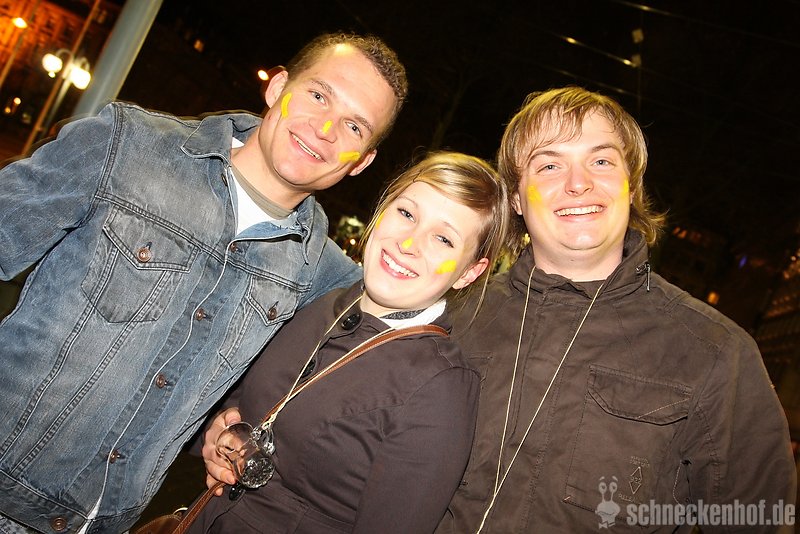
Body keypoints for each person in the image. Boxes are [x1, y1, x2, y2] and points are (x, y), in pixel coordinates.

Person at [0, 32, 407, 533]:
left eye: (354, 126)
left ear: (362, 161)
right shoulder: (127, 145)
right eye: (319, 95)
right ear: (278, 87)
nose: (325, 129)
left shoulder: (324, 276)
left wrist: (228, 419)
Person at [435, 87, 797, 533]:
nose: (578, 183)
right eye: (549, 165)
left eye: (602, 161)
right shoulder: (452, 317)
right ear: (515, 198)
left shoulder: (716, 352)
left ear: (631, 186)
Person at [191, 151, 509, 533]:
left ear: (469, 273)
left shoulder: (440, 386)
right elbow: (241, 399)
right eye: (406, 213)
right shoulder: (319, 299)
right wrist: (219, 432)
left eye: (443, 239)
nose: (409, 243)